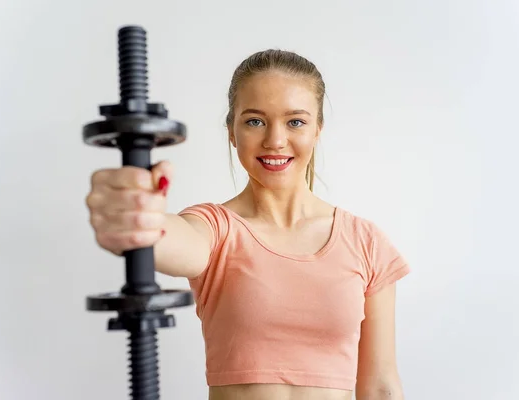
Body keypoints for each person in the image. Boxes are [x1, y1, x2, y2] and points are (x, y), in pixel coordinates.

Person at [86, 49, 410, 400]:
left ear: (318, 130)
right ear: (232, 131)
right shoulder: (217, 228)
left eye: (295, 122)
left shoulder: (366, 242)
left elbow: (380, 387)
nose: (274, 140)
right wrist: (137, 217)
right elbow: (167, 238)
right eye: (255, 120)